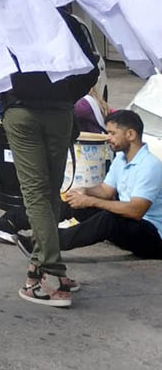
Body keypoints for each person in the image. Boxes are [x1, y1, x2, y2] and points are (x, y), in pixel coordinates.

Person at [0, 7, 99, 307]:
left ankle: (51, 274)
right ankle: (39, 266)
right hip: (59, 112)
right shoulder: (69, 22)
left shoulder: (8, 19)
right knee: (49, 194)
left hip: (22, 110)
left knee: (37, 195)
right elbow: (91, 68)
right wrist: (66, 95)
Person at [17, 110, 162, 261]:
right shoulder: (121, 159)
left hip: (153, 237)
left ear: (130, 135)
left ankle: (45, 244)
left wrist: (90, 200)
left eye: (113, 133)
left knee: (108, 218)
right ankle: (13, 222)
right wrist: (84, 192)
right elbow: (106, 191)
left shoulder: (150, 166)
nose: (108, 138)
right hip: (128, 224)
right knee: (75, 201)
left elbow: (136, 211)